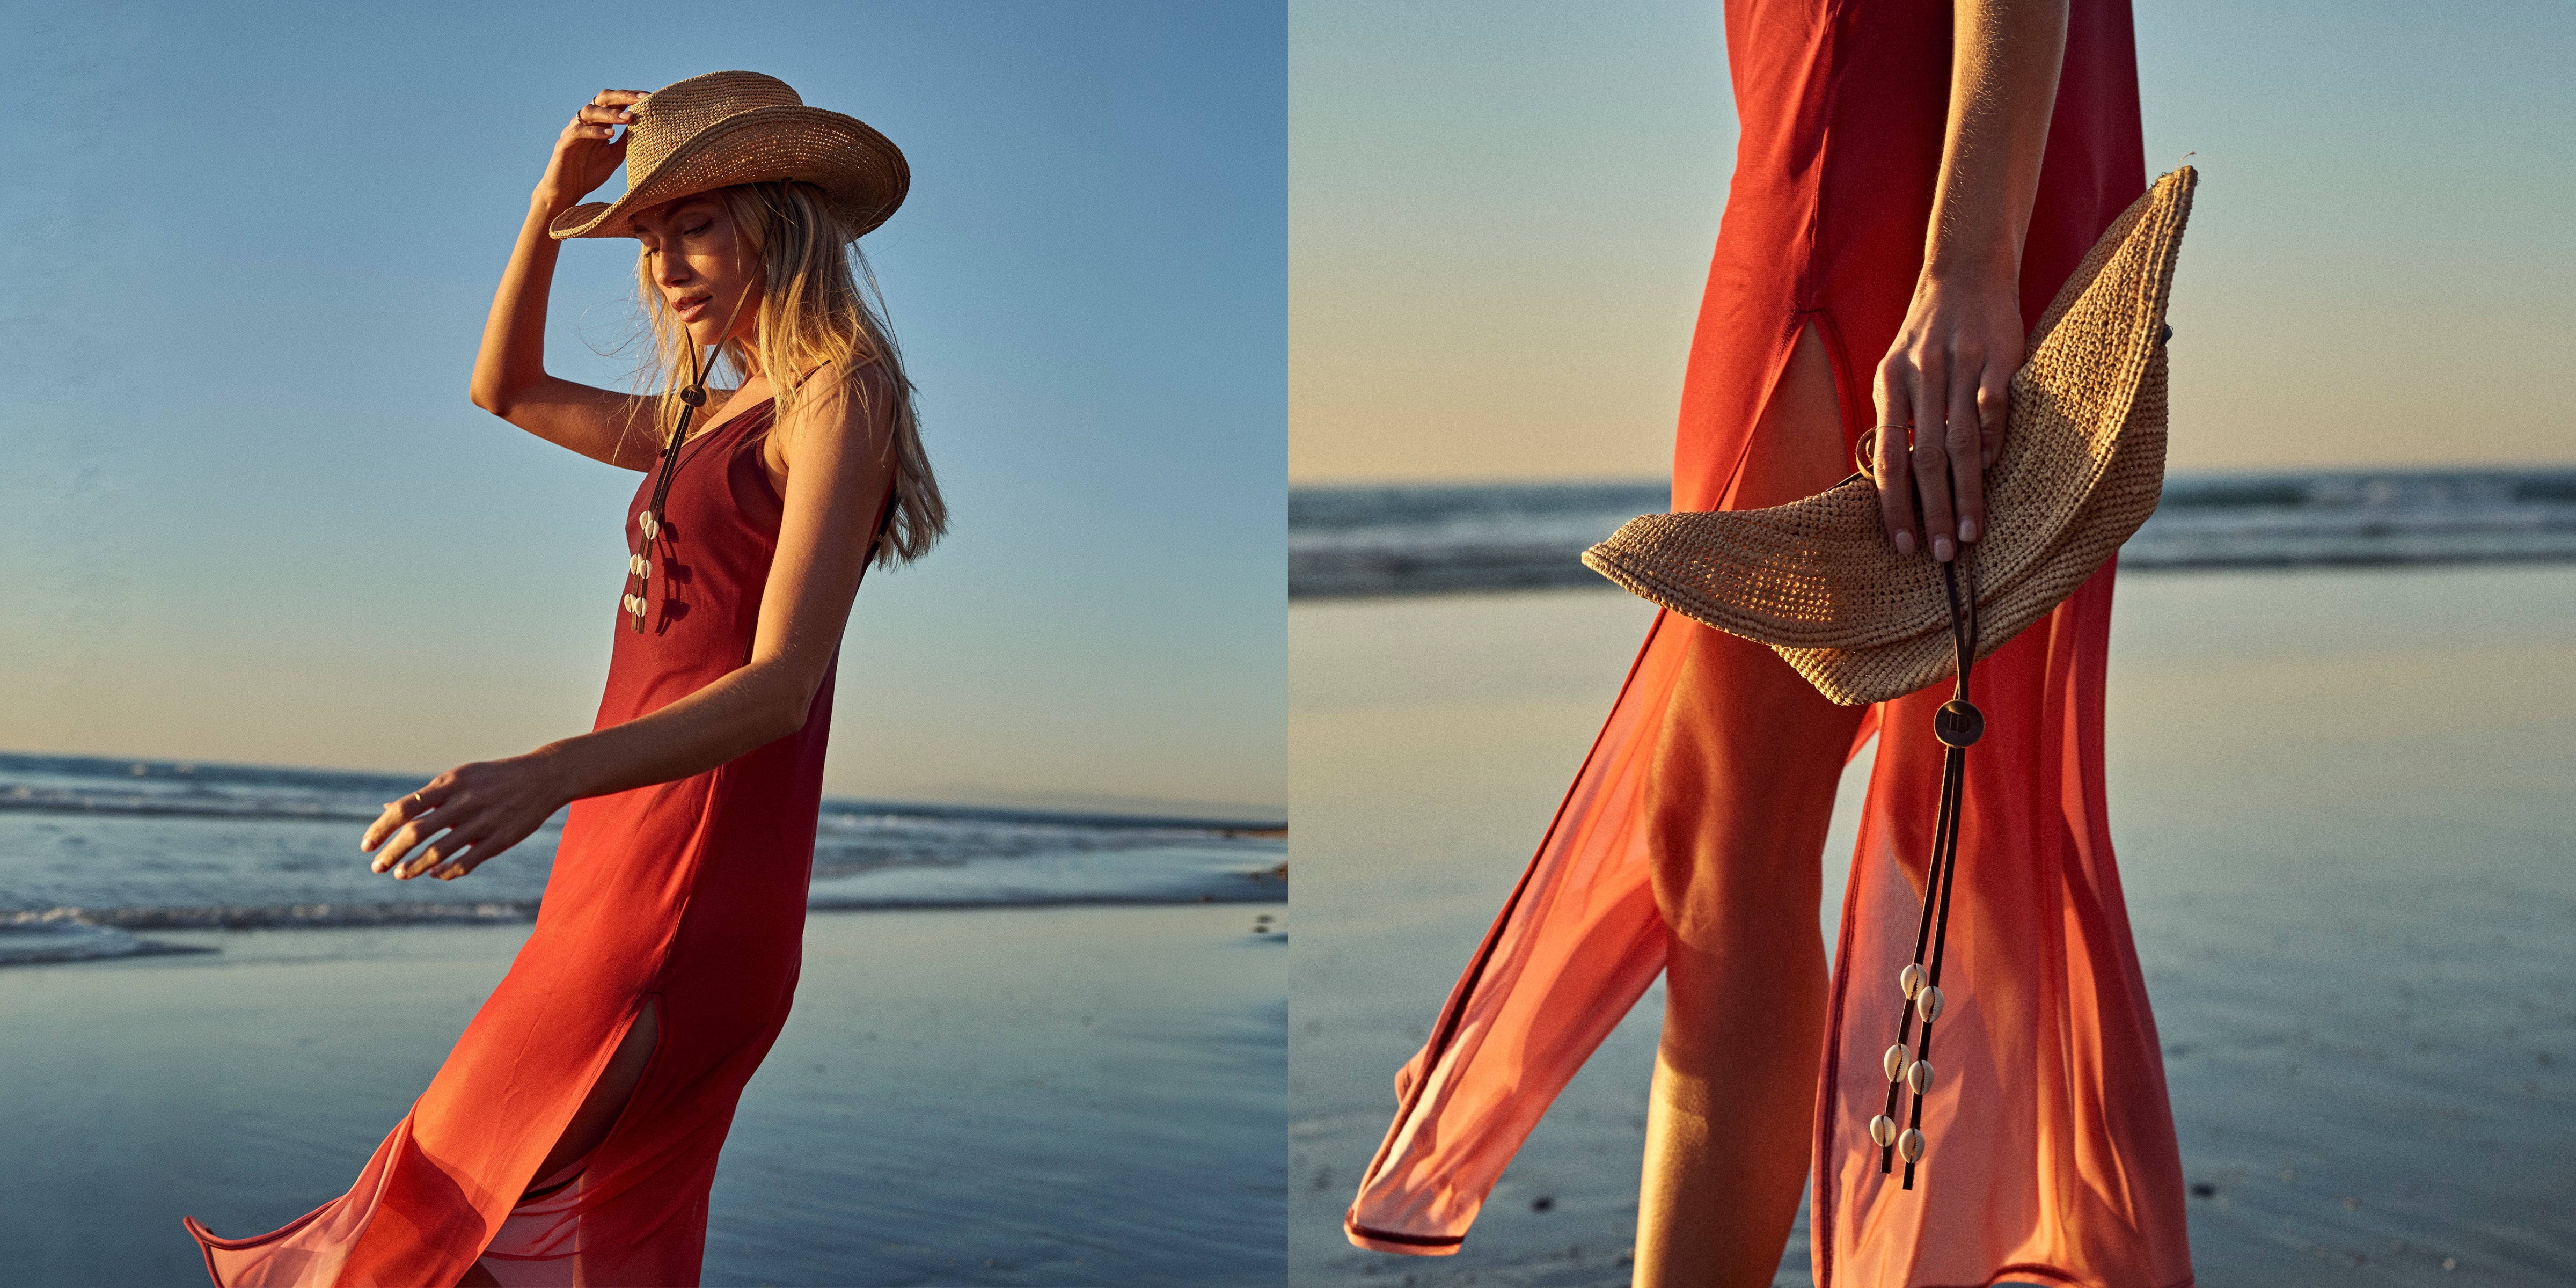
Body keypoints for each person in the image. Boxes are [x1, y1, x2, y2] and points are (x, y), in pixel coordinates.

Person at [1345, 4, 2195, 1286]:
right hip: (1897, 135)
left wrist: (1969, 258)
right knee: (1840, 832)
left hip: (1905, 154)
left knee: (1772, 838)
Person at [182, 70, 944, 1287]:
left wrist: (547, 773)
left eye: (692, 225)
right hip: (613, 862)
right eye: (647, 240)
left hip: (689, 881)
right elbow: (509, 390)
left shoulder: (836, 393)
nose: (664, 266)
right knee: (513, 1239)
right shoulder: (711, 417)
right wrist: (550, 204)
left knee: (425, 1223)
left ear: (782, 216)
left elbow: (780, 688)